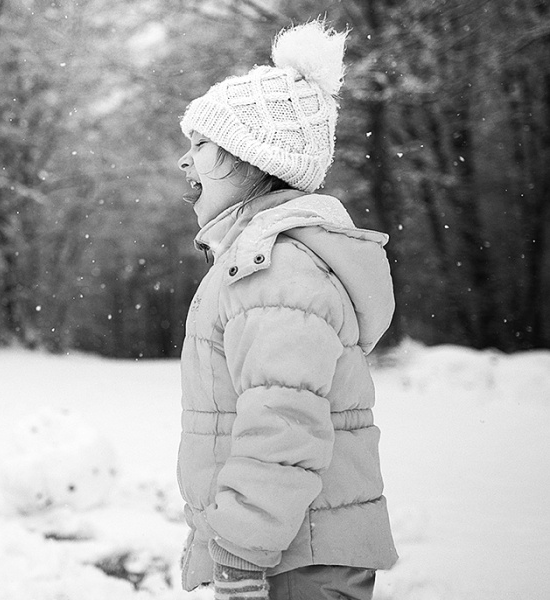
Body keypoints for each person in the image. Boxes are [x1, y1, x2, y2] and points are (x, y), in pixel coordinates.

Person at [174, 21, 398, 600]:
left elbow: (282, 424)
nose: (184, 161)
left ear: (251, 158)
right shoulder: (261, 261)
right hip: (297, 550)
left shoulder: (275, 270)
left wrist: (240, 555)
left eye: (200, 144)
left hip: (293, 564)